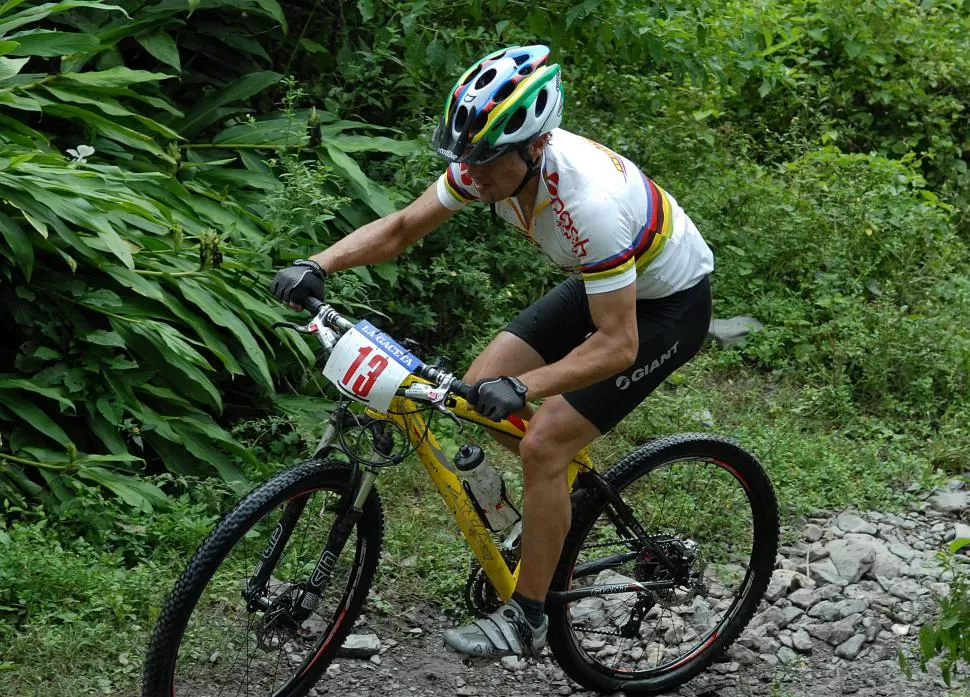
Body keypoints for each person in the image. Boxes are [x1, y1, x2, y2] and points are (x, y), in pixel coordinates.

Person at [270, 45, 714, 660]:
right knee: (475, 395)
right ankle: (562, 497)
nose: (470, 175)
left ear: (534, 148)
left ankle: (529, 618)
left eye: (484, 161)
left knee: (541, 440)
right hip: (599, 281)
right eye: (463, 159)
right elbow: (401, 228)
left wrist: (530, 389)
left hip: (668, 307)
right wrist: (317, 263)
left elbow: (619, 344)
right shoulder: (488, 166)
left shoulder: (586, 204)